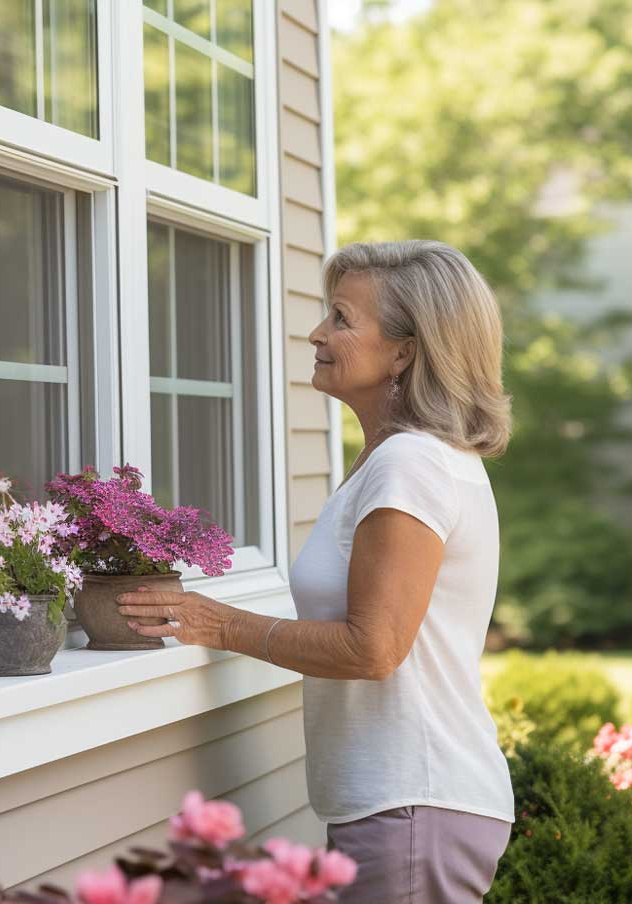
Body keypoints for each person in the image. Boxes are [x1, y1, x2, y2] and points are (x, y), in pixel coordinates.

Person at [117, 240, 515, 902]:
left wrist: (216, 624)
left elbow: (374, 647)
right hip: (400, 805)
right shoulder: (394, 459)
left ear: (405, 350)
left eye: (340, 317)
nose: (316, 333)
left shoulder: (410, 464)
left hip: (414, 803)